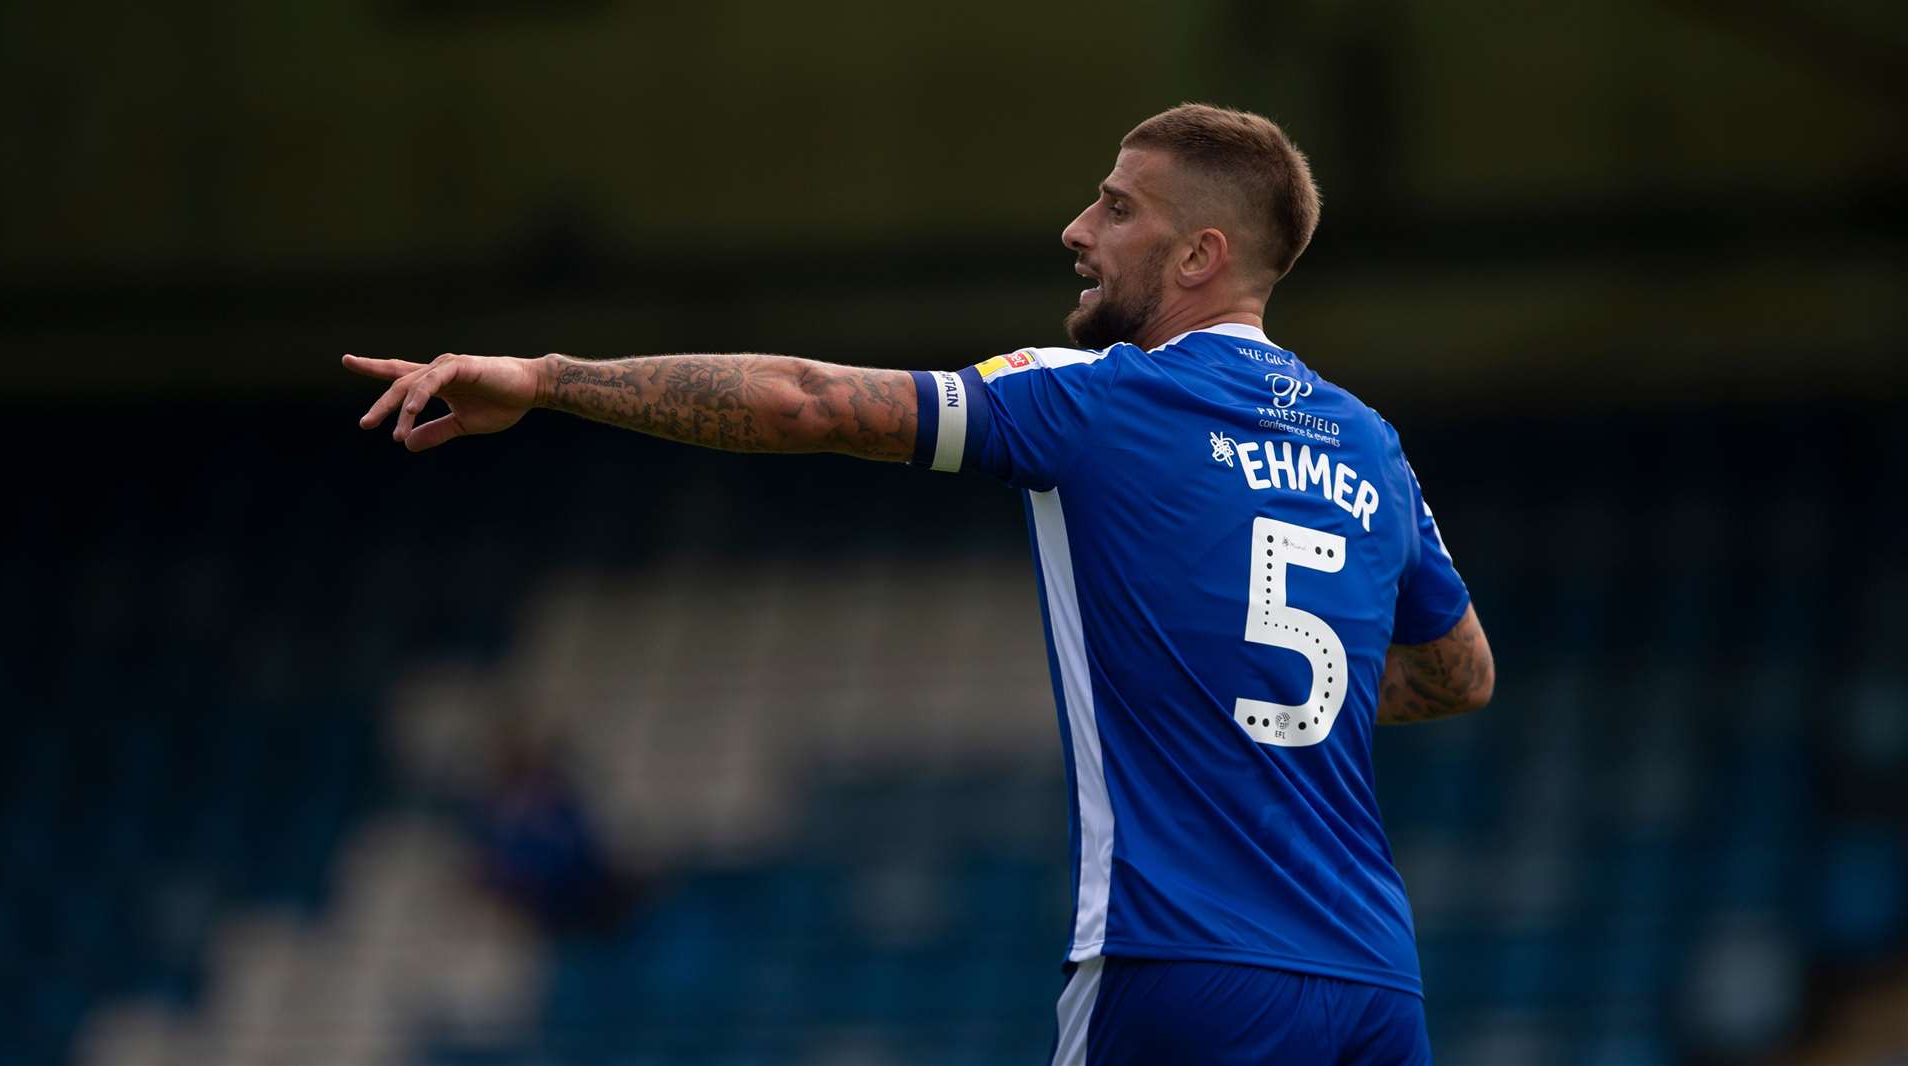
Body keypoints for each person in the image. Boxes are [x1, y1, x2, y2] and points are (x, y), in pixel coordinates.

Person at [346, 103, 1494, 1065]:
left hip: (1185, 967)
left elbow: (806, 402)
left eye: (1117, 207)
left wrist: (547, 378)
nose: (1077, 228)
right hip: (1375, 984)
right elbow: (1459, 672)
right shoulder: (1369, 444)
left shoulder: (1094, 397)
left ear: (1199, 256)